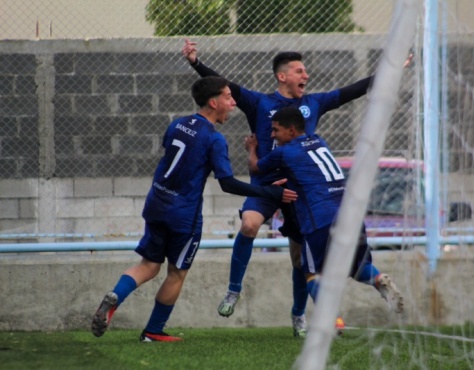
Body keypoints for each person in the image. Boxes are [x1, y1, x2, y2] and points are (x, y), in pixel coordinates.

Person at [182, 39, 411, 337]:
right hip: (265, 186)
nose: (306, 76)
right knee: (249, 224)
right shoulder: (259, 103)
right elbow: (225, 86)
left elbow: (356, 89)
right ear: (283, 76)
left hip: (299, 190)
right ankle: (233, 291)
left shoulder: (313, 103)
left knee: (300, 259)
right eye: (300, 71)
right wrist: (195, 62)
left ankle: (298, 316)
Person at [91, 76, 297, 342]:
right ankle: (153, 332)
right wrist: (270, 191)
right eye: (227, 97)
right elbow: (227, 183)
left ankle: (116, 295)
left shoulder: (177, 124)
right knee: (176, 273)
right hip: (183, 215)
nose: (233, 102)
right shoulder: (214, 139)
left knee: (149, 265)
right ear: (213, 102)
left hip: (156, 203)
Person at [245, 107, 404, 318]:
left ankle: (331, 320)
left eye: (276, 130)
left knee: (311, 272)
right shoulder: (319, 141)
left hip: (320, 218)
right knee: (359, 266)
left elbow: (255, 168)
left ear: (291, 130)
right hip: (351, 214)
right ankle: (379, 280)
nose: (273, 135)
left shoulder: (283, 153)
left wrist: (252, 148)